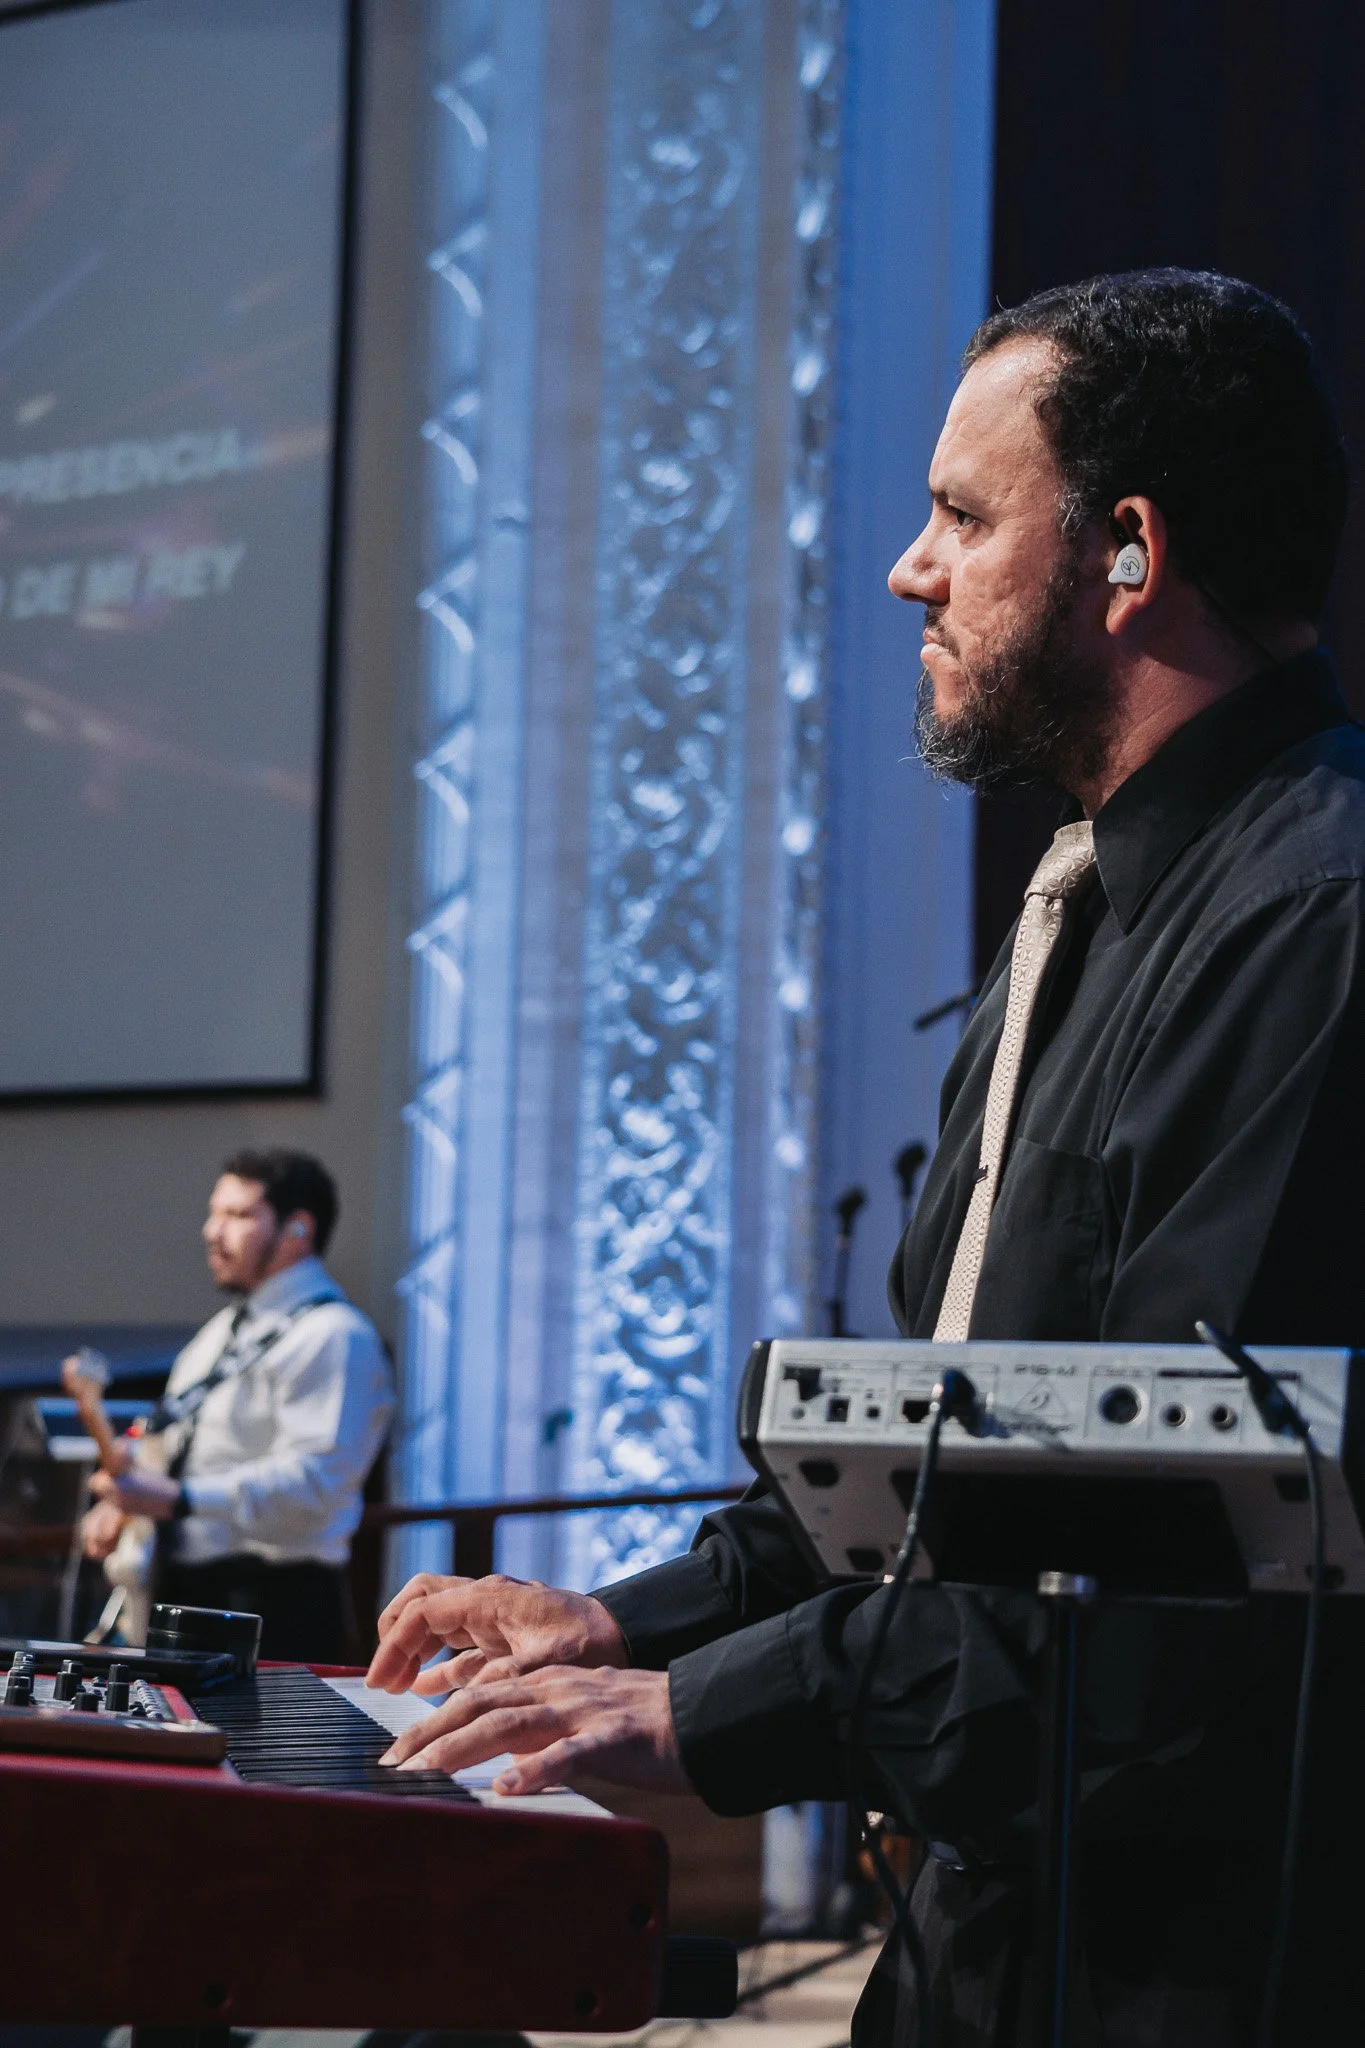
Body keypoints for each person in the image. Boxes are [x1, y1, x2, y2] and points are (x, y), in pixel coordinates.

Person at [365, 272, 1365, 2043]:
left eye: (964, 517)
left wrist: (711, 1713)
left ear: (1129, 553)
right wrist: (619, 1626)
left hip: (1191, 1975)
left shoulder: (1316, 922)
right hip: (990, 1939)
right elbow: (940, 1491)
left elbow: (1179, 1584)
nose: (913, 569)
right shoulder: (1073, 914)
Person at [82, 1148, 392, 1661]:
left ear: (298, 1229)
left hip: (276, 1600)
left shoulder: (335, 1335)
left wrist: (180, 1498)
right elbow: (170, 1438)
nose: (211, 1231)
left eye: (238, 1215)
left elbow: (317, 1483)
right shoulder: (222, 1332)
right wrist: (122, 1500)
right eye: (214, 1213)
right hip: (188, 1589)